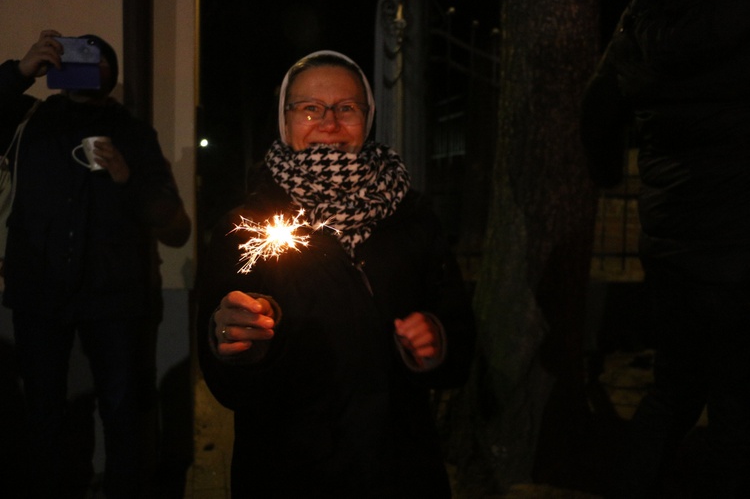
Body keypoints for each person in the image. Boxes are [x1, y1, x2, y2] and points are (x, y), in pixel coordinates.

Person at [196, 50, 476, 498]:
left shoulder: (413, 219)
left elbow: (459, 334)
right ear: (285, 123)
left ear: (368, 119)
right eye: (310, 108)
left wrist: (437, 340)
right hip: (288, 472)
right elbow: (224, 378)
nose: (329, 122)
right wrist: (232, 342)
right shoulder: (244, 227)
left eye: (347, 108)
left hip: (397, 469)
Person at [0, 30, 191, 498]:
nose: (89, 65)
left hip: (115, 297)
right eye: (77, 56)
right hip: (38, 290)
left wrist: (127, 177)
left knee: (122, 410)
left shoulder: (134, 132)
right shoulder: (30, 120)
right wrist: (20, 72)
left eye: (98, 58)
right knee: (41, 410)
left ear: (112, 73)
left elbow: (174, 225)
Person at [581, 0, 750, 497]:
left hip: (671, 245)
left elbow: (597, 107)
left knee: (673, 390)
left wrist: (608, 171)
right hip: (741, 245)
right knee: (737, 404)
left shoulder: (642, 20)